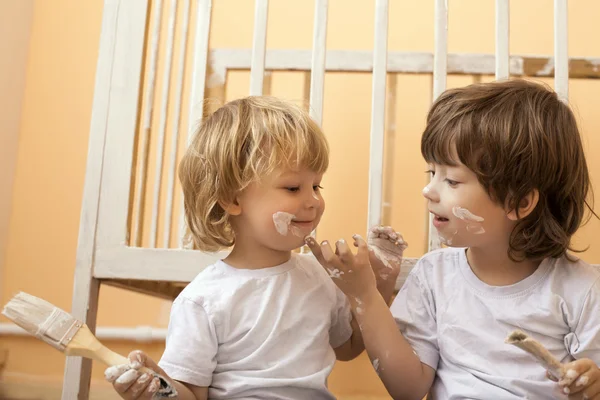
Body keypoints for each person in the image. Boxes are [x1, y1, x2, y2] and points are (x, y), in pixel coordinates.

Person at [307, 79, 600, 399]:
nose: (429, 191)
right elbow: (407, 389)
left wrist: (592, 382)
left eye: (452, 180)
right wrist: (365, 294)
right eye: (431, 174)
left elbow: (592, 378)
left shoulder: (582, 289)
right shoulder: (434, 278)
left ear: (519, 203)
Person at [104, 95, 406, 400]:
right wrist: (158, 388)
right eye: (292, 188)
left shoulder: (319, 277)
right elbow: (191, 394)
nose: (313, 200)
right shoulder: (203, 300)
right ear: (233, 200)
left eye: (317, 186)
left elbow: (349, 347)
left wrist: (378, 284)